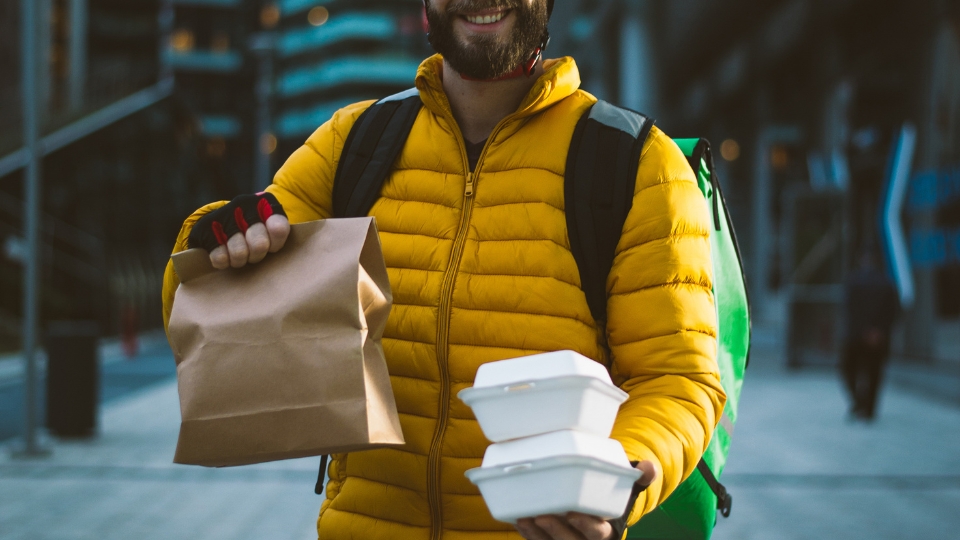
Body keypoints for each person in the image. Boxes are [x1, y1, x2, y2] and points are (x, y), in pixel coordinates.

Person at [161, 1, 726, 539]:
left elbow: (677, 381)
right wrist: (215, 243)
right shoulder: (353, 143)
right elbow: (210, 316)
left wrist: (615, 480)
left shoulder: (637, 163)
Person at [841, 251, 900, 421]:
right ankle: (868, 408)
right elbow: (893, 311)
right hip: (877, 336)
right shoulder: (887, 282)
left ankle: (861, 403)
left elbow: (850, 310)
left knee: (850, 370)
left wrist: (866, 331)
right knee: (874, 373)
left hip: (857, 336)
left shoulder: (853, 281)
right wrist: (878, 331)